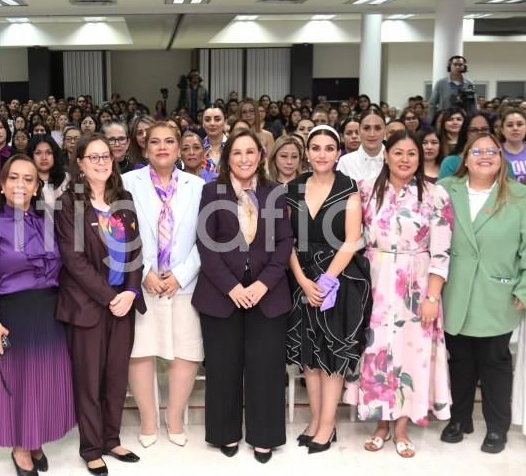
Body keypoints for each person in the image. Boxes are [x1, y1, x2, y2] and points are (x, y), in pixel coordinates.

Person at [344, 130, 453, 458]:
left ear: (420, 159)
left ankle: (403, 426)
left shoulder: (436, 194)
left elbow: (442, 252)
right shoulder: (365, 191)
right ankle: (380, 423)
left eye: (412, 154)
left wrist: (432, 296)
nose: (405, 159)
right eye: (399, 152)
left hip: (416, 285)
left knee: (411, 353)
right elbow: (353, 237)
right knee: (375, 351)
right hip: (374, 280)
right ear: (386, 155)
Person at [191, 128, 293, 464]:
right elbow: (206, 246)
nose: (244, 158)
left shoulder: (275, 192)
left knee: (265, 367)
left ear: (261, 157)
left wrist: (262, 284)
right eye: (237, 153)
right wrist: (232, 287)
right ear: (227, 158)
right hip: (222, 294)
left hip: (268, 293)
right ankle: (225, 433)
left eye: (251, 152)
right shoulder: (211, 192)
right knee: (224, 367)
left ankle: (264, 436)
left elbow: (284, 244)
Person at [0, 154, 75, 476]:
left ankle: (35, 437)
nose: (20, 184)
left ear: (36, 185)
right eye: (13, 177)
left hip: (46, 311)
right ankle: (20, 447)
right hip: (9, 312)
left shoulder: (46, 221)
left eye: (28, 179)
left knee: (43, 381)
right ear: (2, 185)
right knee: (16, 384)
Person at [55, 133, 145, 476]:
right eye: (92, 157)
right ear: (79, 163)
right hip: (89, 307)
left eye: (105, 156)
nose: (101, 162)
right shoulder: (69, 204)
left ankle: (111, 438)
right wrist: (110, 298)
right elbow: (74, 261)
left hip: (124, 302)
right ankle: (91, 448)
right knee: (88, 380)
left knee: (115, 377)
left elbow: (137, 251)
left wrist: (131, 293)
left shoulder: (125, 199)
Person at [437, 133, 526, 454]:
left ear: (502, 158)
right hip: (454, 291)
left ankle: (497, 427)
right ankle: (459, 419)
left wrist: (524, 288)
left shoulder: (519, 196)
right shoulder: (446, 189)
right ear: (465, 157)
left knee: (494, 360)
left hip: (497, 291)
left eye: (492, 151)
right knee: (459, 359)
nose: (485, 156)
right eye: (478, 151)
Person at [285, 125, 371, 455]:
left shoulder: (348, 187)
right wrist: (304, 281)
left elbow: (352, 239)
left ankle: (328, 423)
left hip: (340, 277)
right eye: (316, 148)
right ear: (307, 153)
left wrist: (325, 280)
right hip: (301, 278)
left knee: (332, 353)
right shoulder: (291, 188)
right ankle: (316, 419)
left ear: (338, 154)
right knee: (309, 354)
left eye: (329, 148)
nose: (322, 153)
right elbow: (286, 241)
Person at [122, 123, 205, 449]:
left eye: (169, 141)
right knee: (140, 352)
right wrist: (143, 272)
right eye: (154, 141)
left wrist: (182, 274)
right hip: (143, 283)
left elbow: (209, 237)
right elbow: (118, 234)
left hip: (184, 283)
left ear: (179, 147)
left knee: (185, 353)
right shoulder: (127, 183)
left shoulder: (198, 186)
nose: (162, 146)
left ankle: (173, 419)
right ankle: (148, 421)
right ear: (144, 149)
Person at [337, 109, 386, 181]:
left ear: (385, 130)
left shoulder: (396, 159)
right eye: (366, 128)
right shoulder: (345, 162)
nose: (372, 134)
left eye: (378, 128)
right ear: (359, 130)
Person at [26, 134, 68, 207]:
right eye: (38, 153)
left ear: (55, 155)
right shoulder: (25, 181)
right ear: (31, 156)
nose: (44, 157)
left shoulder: (68, 179)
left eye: (49, 153)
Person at [500, 109, 526, 183]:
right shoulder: (496, 152)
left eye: (520, 124)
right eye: (510, 125)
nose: (515, 128)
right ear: (502, 130)